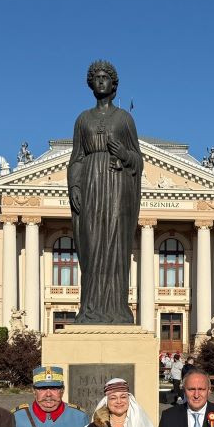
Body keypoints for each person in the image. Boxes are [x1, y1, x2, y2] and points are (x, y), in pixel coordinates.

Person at [67, 59, 144, 325]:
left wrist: (124, 155)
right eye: (96, 77)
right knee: (90, 246)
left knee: (115, 244)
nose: (100, 81)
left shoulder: (124, 119)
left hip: (116, 186)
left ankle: (116, 310)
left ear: (114, 84)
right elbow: (76, 158)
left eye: (105, 77)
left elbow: (138, 160)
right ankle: (89, 308)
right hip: (90, 185)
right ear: (91, 84)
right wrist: (74, 186)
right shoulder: (83, 120)